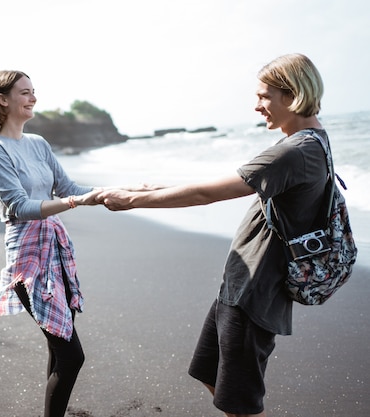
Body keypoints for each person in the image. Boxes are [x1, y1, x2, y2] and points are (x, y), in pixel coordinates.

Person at [97, 53, 329, 417]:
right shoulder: (311, 142)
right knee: (210, 373)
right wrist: (154, 188)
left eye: (264, 96)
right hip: (241, 285)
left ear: (293, 94)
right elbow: (224, 183)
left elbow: (208, 195)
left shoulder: (294, 152)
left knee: (240, 403)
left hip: (256, 290)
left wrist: (133, 201)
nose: (257, 106)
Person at [0, 70, 145, 416]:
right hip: (27, 257)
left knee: (60, 343)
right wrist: (73, 203)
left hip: (56, 249)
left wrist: (115, 191)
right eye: (24, 92)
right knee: (72, 355)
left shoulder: (38, 144)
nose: (33, 97)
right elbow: (20, 207)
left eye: (34, 91)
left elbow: (70, 188)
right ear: (3, 99)